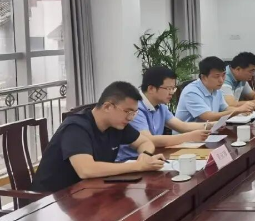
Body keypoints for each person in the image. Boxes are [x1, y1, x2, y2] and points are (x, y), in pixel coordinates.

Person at [31, 81, 165, 193]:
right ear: (107, 107)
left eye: (134, 113)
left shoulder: (117, 124)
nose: (130, 118)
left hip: (89, 190)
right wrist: (138, 166)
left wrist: (145, 155)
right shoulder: (76, 127)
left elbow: (145, 142)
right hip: (54, 199)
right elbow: (86, 170)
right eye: (127, 112)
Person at [116, 66, 212, 162]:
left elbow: (182, 126)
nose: (171, 93)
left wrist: (212, 125)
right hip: (130, 161)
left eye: (173, 88)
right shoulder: (135, 107)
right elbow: (148, 139)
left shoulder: (160, 106)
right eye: (168, 88)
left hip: (153, 155)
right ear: (151, 88)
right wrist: (189, 137)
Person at [175, 56, 255, 122]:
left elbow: (225, 108)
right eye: (216, 76)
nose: (221, 80)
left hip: (209, 131)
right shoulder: (191, 92)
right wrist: (238, 110)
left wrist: (242, 111)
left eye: (223, 75)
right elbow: (208, 117)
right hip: (188, 135)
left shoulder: (216, 89)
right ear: (204, 77)